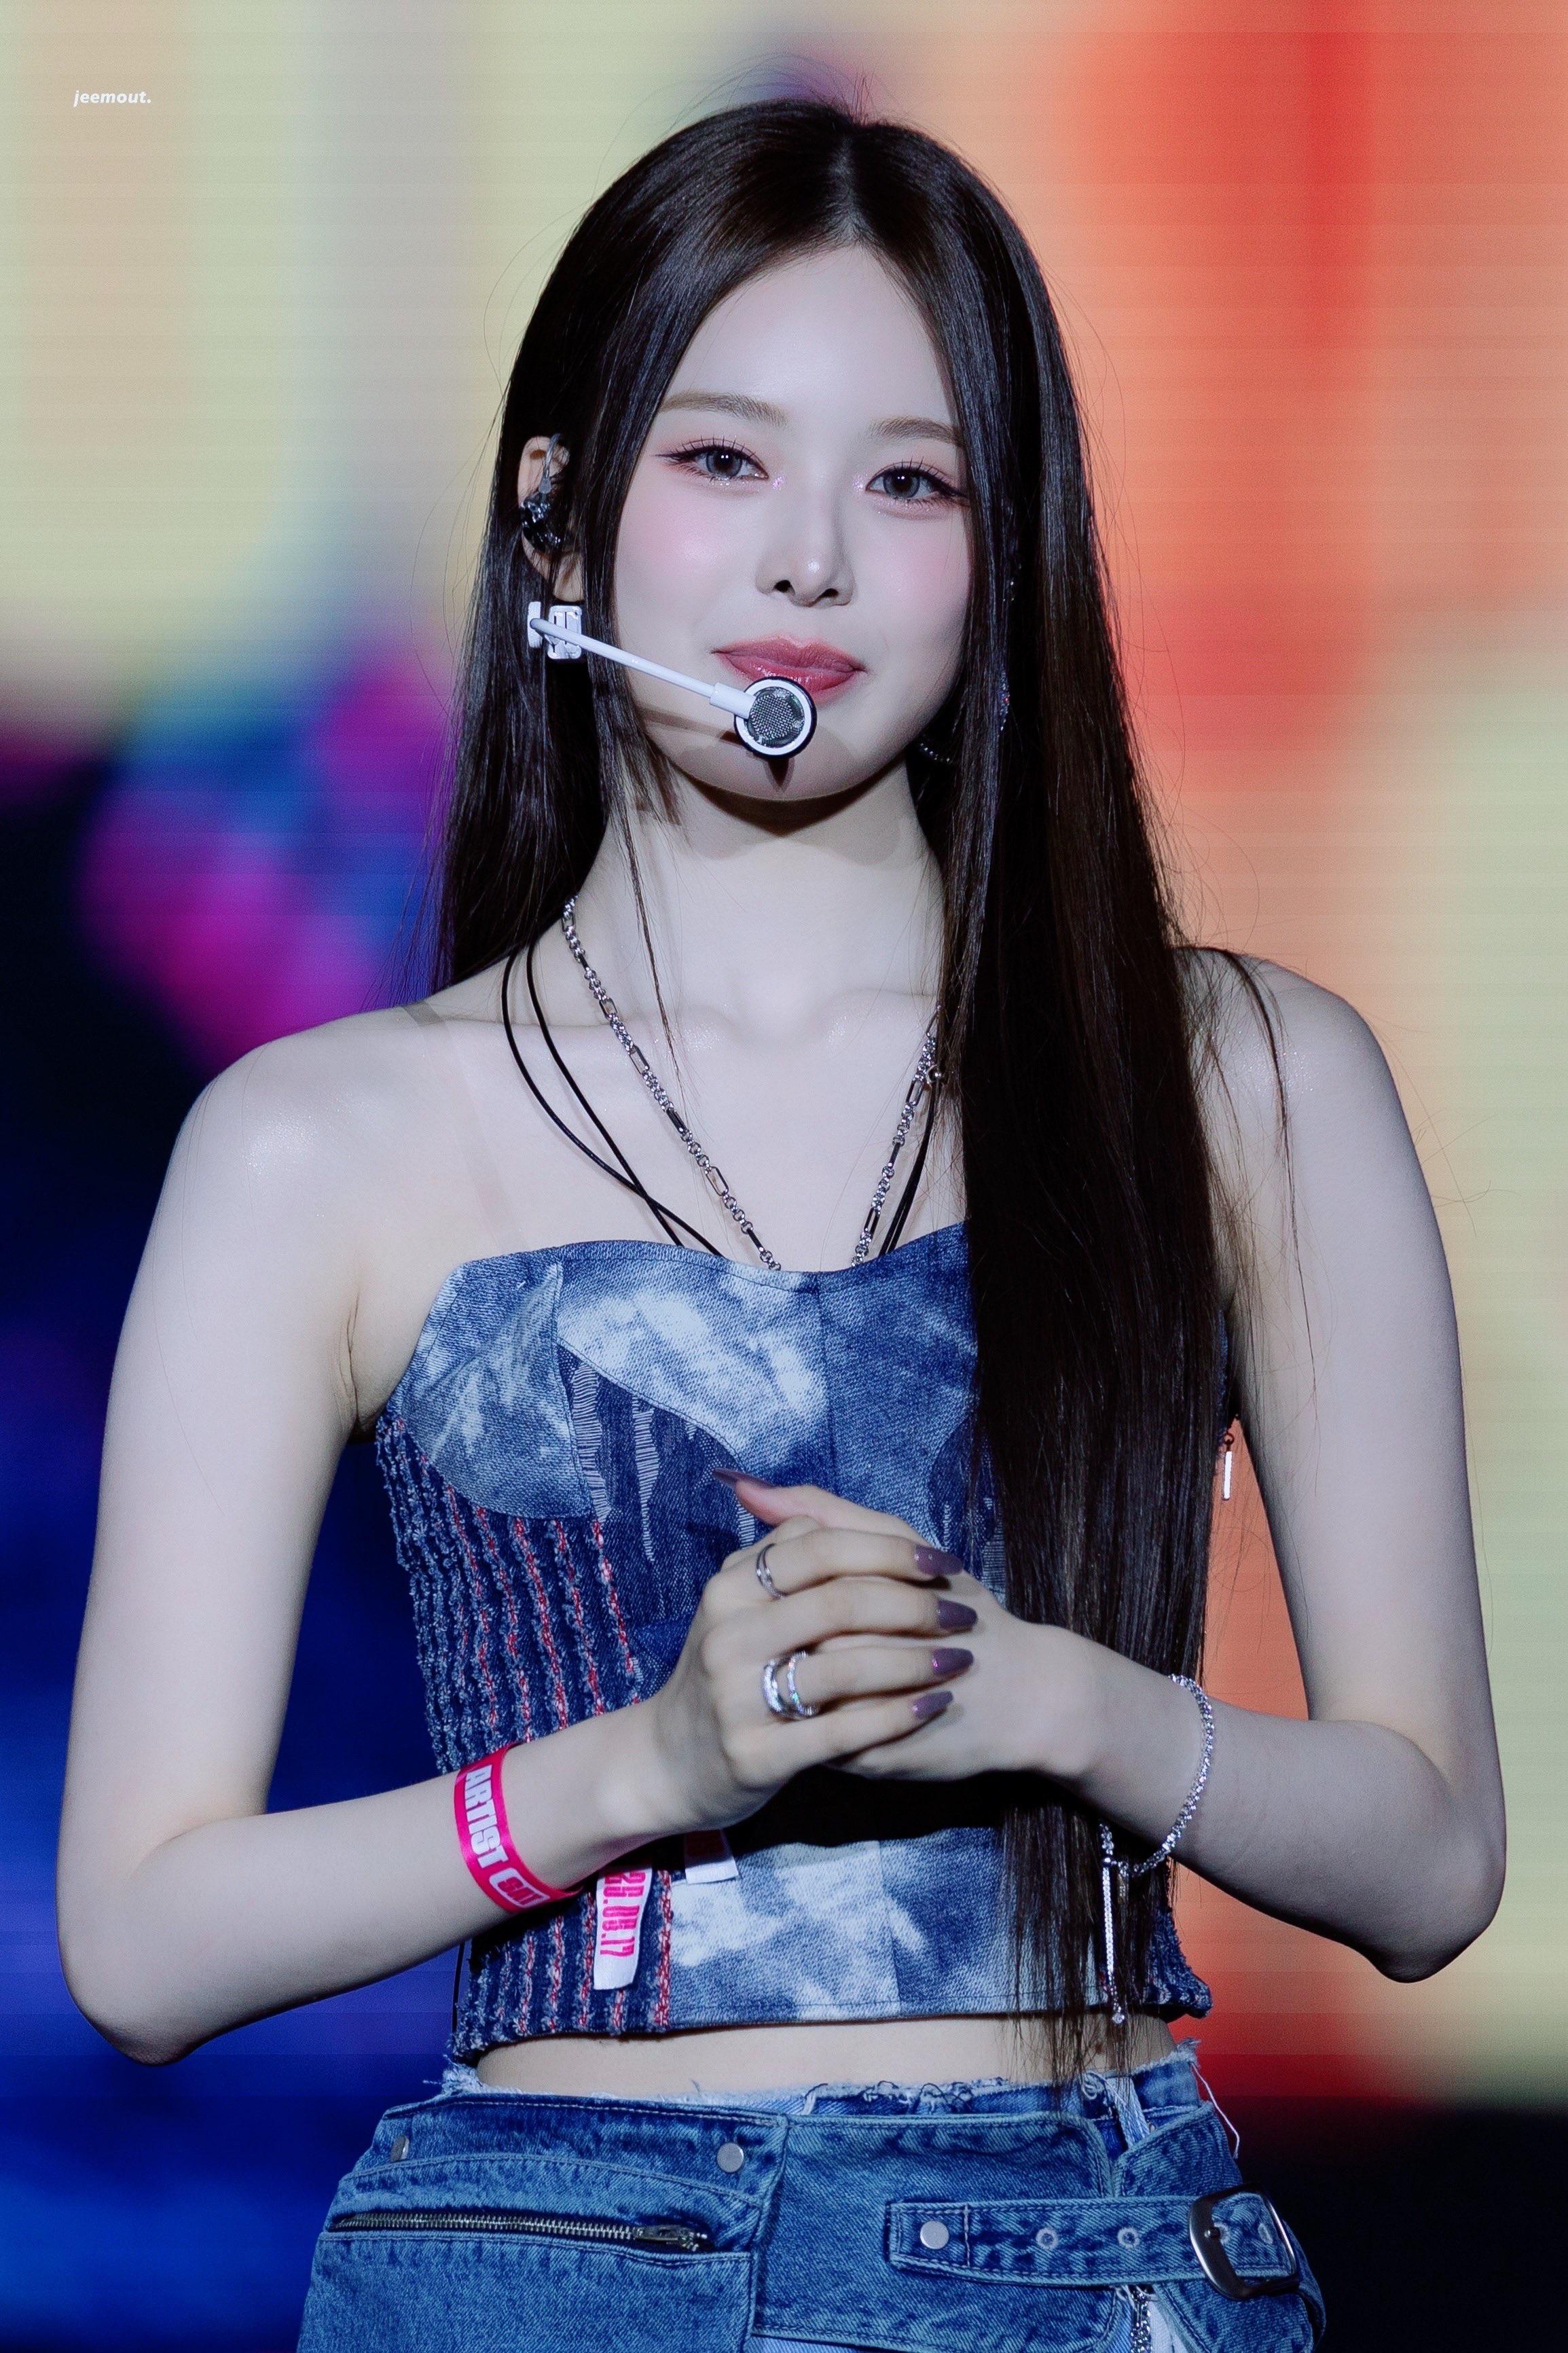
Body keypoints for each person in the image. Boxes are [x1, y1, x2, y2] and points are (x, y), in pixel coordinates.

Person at [56, 100, 1503, 2353]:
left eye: (911, 483)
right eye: (725, 460)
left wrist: (1058, 1701)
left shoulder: (1245, 1081)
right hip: (539, 2268)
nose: (810, 562)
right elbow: (143, 1941)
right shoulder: (316, 1141)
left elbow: (1431, 1861)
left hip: (1086, 2259)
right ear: (557, 516)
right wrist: (647, 1770)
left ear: (1005, 551)